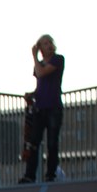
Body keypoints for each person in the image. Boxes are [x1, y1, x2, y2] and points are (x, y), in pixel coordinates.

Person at [20, 35, 65, 183]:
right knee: (33, 142)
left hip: (54, 108)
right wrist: (32, 94)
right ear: (41, 48)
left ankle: (50, 174)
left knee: (52, 143)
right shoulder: (39, 65)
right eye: (45, 44)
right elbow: (41, 84)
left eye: (50, 42)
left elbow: (42, 73)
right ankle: (30, 175)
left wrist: (33, 56)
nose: (49, 45)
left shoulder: (58, 59)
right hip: (40, 108)